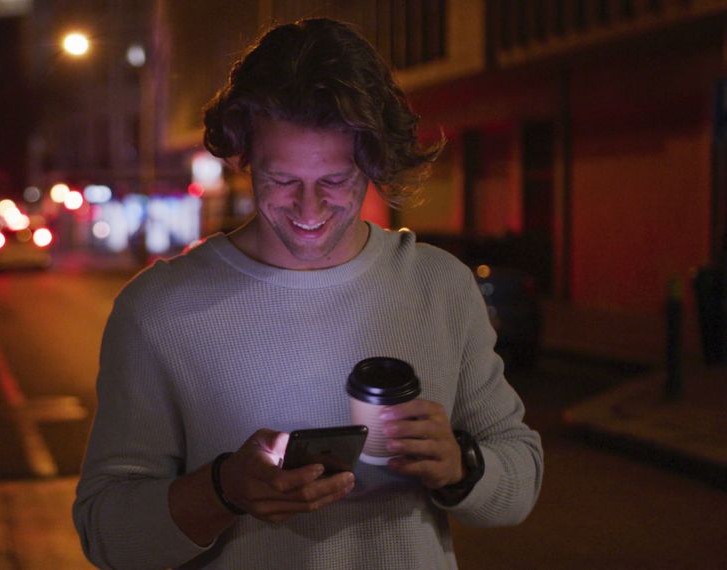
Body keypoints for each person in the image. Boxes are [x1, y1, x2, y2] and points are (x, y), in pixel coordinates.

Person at [73, 17, 543, 569]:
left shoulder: (438, 285)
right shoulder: (158, 308)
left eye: (336, 182)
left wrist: (461, 466)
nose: (310, 211)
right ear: (244, 155)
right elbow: (107, 536)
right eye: (282, 181)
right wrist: (222, 490)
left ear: (372, 162)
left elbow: (521, 476)